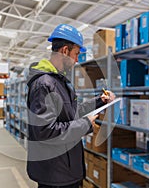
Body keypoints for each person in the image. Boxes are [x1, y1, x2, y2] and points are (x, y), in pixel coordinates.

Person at [26, 24, 115, 188]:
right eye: (76, 54)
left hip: (64, 169)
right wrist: (85, 124)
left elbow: (72, 112)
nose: (77, 60)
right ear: (65, 51)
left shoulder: (58, 81)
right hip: (55, 174)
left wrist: (99, 101)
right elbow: (45, 131)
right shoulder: (44, 84)